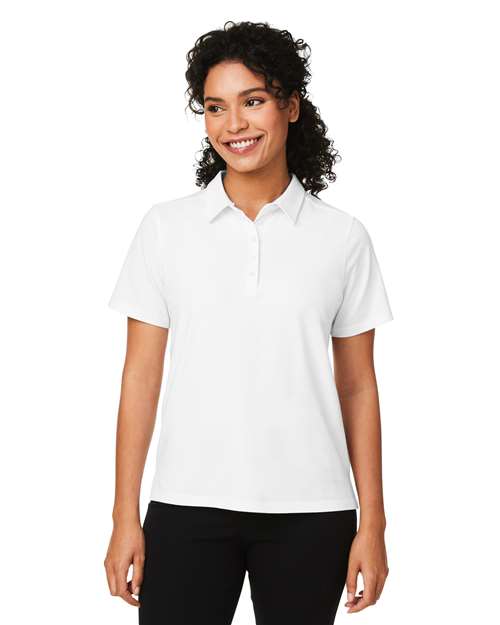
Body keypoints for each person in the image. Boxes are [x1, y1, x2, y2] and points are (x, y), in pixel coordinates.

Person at [104, 20, 393, 625]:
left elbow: (358, 387)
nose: (233, 124)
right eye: (215, 107)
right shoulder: (165, 229)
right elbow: (140, 378)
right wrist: (123, 514)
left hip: (312, 511)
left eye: (253, 101)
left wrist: (374, 524)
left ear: (291, 106)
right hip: (186, 503)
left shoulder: (342, 238)